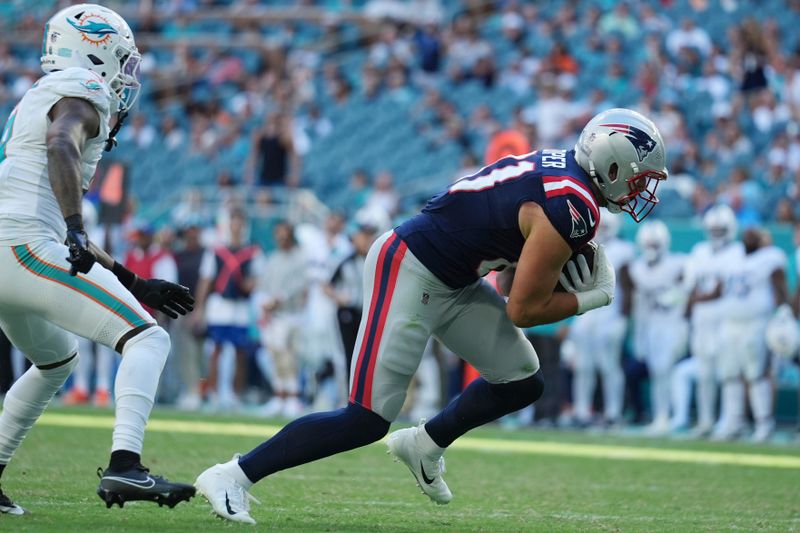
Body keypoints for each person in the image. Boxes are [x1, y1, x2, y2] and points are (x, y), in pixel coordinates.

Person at [196, 108, 669, 524]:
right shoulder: (572, 205)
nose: (641, 188)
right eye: (639, 175)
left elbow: (506, 282)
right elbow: (522, 310)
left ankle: (425, 444)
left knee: (522, 380)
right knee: (365, 419)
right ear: (611, 164)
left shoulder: (563, 174)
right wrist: (594, 296)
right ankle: (232, 474)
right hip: (409, 268)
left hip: (456, 279)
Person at [0, 5, 196, 515]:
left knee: (55, 360)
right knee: (147, 338)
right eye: (122, 60)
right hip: (23, 246)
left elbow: (52, 202)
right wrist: (74, 227)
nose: (127, 73)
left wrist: (130, 278)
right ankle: (125, 464)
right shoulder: (85, 90)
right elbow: (61, 143)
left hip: (14, 244)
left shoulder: (46, 91)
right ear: (95, 48)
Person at [715, 228, 790, 442]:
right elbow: (719, 289)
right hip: (730, 323)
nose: (749, 236)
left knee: (756, 374)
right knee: (730, 375)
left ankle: (764, 424)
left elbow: (780, 287)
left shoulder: (770, 258)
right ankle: (733, 421)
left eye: (755, 235)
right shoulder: (732, 257)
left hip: (756, 323)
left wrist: (783, 312)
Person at [565, 209, 634, 428]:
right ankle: (581, 410)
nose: (602, 231)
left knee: (609, 365)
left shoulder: (624, 250)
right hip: (587, 312)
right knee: (583, 366)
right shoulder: (583, 246)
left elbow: (627, 288)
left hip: (609, 314)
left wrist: (623, 319)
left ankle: (613, 412)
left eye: (605, 227)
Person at [683, 205, 743, 437]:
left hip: (726, 320)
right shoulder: (699, 251)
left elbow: (720, 290)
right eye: (714, 229)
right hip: (702, 322)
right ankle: (706, 420)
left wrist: (698, 297)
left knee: (728, 373)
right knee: (704, 374)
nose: (717, 233)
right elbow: (691, 287)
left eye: (721, 229)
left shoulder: (737, 251)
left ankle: (730, 421)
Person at [194, 209, 260, 409]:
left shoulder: (252, 252)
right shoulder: (216, 250)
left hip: (240, 307)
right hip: (220, 306)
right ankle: (213, 393)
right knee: (216, 349)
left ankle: (235, 394)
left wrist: (251, 285)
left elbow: (257, 278)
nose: (237, 227)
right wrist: (199, 308)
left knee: (240, 351)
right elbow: (206, 280)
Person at [629, 220, 688, 435]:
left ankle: (674, 416)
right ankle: (660, 416)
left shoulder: (678, 263)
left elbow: (687, 292)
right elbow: (639, 307)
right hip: (653, 325)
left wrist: (677, 297)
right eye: (649, 245)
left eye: (655, 245)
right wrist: (639, 337)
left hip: (673, 324)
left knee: (667, 371)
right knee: (656, 373)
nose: (652, 249)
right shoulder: (637, 268)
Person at [256, 222, 308, 418]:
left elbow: (299, 285)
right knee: (275, 356)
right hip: (274, 316)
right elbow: (265, 285)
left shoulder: (299, 258)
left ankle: (293, 396)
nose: (281, 239)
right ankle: (279, 396)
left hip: (291, 315)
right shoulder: (273, 258)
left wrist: (278, 299)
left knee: (289, 357)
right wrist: (266, 304)